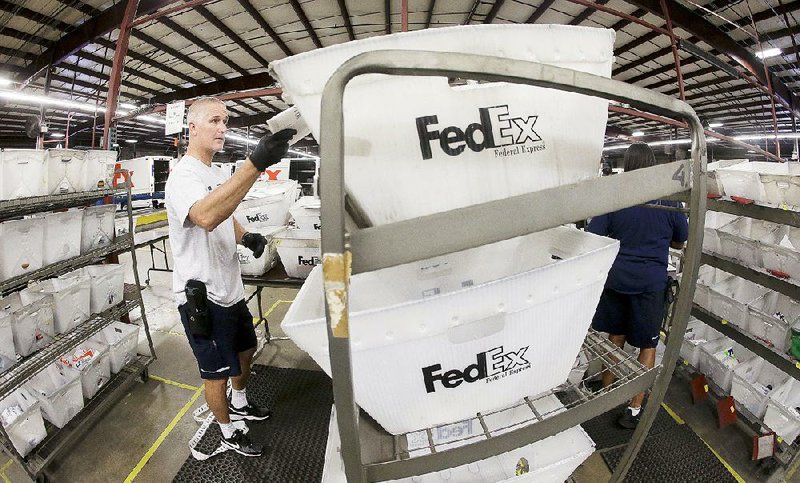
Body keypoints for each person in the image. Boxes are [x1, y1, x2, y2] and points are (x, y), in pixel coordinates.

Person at [165, 96, 295, 456]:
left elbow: (225, 209)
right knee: (216, 372)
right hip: (203, 297)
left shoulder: (214, 172)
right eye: (214, 121)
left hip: (230, 288)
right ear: (192, 127)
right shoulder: (183, 175)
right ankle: (226, 432)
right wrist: (254, 164)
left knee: (247, 349)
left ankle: (239, 404)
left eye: (226, 121)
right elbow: (205, 215)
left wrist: (245, 235)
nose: (223, 128)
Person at [587, 142, 688, 429]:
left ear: (626, 166)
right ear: (653, 164)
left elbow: (596, 234)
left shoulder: (616, 196)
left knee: (615, 336)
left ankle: (607, 391)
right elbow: (680, 239)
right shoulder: (668, 199)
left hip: (617, 279)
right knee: (647, 344)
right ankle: (634, 408)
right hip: (650, 285)